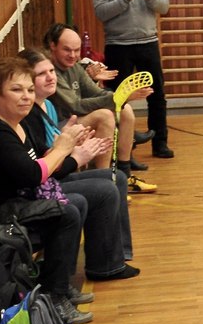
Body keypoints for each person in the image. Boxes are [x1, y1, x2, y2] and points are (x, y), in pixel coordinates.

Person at [0, 59, 95, 324]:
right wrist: (63, 149)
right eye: (16, 90)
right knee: (66, 213)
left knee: (77, 203)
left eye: (29, 90)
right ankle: (55, 299)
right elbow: (32, 175)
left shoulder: (18, 122)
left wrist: (67, 148)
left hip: (13, 203)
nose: (26, 96)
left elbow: (36, 165)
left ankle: (59, 286)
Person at [19, 48, 139, 281]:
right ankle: (105, 264)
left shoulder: (48, 106)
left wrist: (72, 143)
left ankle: (116, 256)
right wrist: (75, 156)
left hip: (54, 174)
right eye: (41, 74)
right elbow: (45, 165)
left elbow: (52, 150)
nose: (51, 77)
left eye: (51, 71)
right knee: (104, 188)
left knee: (116, 178)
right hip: (45, 184)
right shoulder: (28, 115)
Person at [93, 0, 172, 158]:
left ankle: (160, 143)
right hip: (117, 46)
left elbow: (164, 7)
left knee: (156, 96)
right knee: (118, 99)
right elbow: (101, 12)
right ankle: (125, 151)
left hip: (148, 43)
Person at [42, 22, 151, 180]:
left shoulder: (75, 67)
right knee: (104, 115)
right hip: (59, 125)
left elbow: (96, 93)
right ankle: (104, 179)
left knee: (125, 109)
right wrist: (116, 98)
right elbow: (76, 106)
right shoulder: (51, 72)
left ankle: (125, 171)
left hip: (73, 119)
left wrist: (122, 96)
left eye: (76, 50)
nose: (73, 55)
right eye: (67, 50)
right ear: (53, 46)